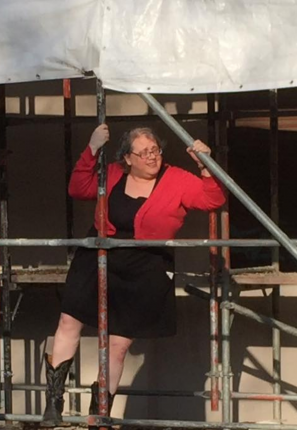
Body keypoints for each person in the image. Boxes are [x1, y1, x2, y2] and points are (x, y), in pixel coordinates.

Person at [41, 124, 225, 426]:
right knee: (68, 320)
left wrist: (206, 167)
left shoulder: (176, 178)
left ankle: (98, 413)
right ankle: (54, 400)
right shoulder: (112, 173)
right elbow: (78, 188)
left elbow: (212, 200)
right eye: (144, 152)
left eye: (156, 150)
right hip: (99, 255)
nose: (152, 157)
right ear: (128, 158)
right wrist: (91, 149)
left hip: (144, 265)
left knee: (118, 344)